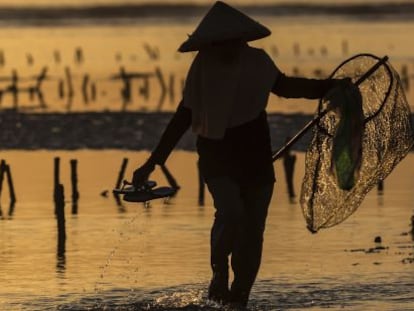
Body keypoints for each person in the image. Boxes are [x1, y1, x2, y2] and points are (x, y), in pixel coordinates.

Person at [131, 1, 346, 307]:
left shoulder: (257, 61)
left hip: (254, 151)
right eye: (222, 44)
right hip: (216, 151)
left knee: (253, 228)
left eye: (233, 43)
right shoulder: (202, 67)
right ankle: (219, 271)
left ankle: (240, 296)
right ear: (211, 44)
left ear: (242, 40)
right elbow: (184, 116)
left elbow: (286, 87)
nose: (229, 49)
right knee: (231, 213)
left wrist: (332, 87)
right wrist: (152, 163)